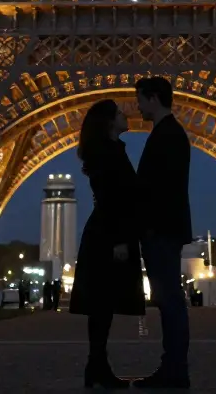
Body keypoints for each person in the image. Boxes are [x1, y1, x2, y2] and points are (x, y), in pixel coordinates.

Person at [68, 99, 145, 389]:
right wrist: (121, 240)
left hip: (105, 231)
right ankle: (97, 366)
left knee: (102, 304)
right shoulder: (108, 154)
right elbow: (114, 198)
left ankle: (96, 366)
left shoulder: (108, 151)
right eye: (120, 114)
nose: (127, 115)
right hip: (110, 234)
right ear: (109, 122)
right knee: (103, 303)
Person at [135, 76, 192, 389]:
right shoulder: (170, 133)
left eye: (140, 99)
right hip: (164, 228)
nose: (137, 106)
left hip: (161, 230)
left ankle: (174, 369)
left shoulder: (167, 135)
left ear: (153, 98)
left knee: (169, 300)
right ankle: (173, 366)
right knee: (169, 299)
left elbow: (159, 188)